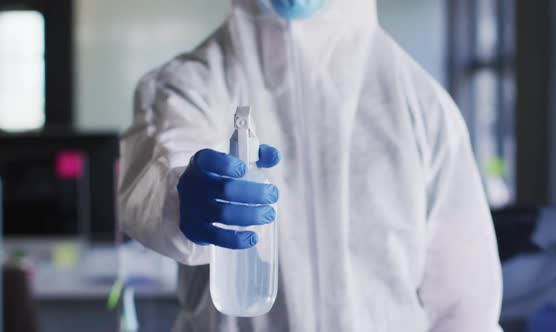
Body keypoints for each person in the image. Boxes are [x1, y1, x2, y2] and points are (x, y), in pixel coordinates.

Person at [118, 0, 504, 331]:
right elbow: (153, 178)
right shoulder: (189, 88)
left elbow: (465, 307)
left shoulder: (422, 106)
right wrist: (180, 200)